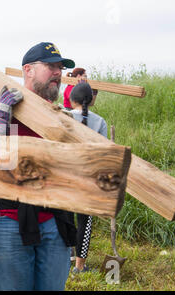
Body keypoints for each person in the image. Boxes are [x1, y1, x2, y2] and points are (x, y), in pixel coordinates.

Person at [0, 42, 77, 291]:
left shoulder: (57, 115)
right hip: (8, 218)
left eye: (60, 68)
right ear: (28, 70)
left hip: (53, 217)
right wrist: (1, 120)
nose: (58, 72)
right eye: (51, 66)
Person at [69, 82, 107, 274]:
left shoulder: (63, 116)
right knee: (85, 221)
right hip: (89, 180)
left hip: (65, 178)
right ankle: (80, 266)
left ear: (71, 99)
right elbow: (105, 156)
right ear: (91, 101)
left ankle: (66, 257)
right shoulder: (100, 122)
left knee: (65, 218)